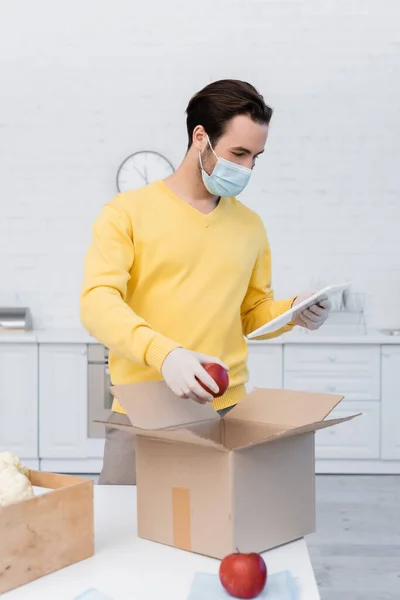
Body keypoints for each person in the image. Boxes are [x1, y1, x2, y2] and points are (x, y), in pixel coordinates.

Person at [80, 79, 331, 485]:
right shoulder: (126, 213)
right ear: (201, 138)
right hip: (144, 411)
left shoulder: (249, 225)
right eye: (238, 153)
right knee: (128, 534)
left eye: (256, 157)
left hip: (226, 411)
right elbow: (97, 302)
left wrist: (294, 311)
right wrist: (165, 355)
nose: (248, 168)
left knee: (222, 536)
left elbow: (250, 314)